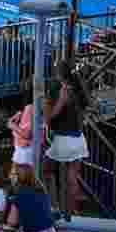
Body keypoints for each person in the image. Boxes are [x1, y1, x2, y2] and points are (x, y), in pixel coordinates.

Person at [46, 59, 89, 217]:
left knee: (44, 171)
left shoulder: (57, 87)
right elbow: (84, 107)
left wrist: (60, 103)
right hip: (78, 138)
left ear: (57, 72)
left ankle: (54, 207)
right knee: (72, 178)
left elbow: (50, 116)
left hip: (63, 139)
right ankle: (71, 213)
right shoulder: (78, 86)